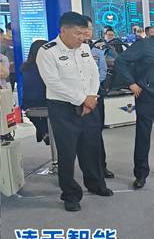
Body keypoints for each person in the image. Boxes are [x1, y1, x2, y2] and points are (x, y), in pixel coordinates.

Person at [36, 12, 112, 211]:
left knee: (92, 148)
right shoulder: (47, 52)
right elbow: (53, 83)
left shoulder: (85, 48)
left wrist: (91, 97)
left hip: (90, 105)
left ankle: (95, 183)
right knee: (67, 153)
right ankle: (70, 194)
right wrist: (82, 99)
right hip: (63, 110)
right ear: (64, 30)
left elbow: (93, 74)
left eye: (84, 33)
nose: (82, 38)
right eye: (78, 33)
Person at [114, 16, 154, 189]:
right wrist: (131, 83)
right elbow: (121, 61)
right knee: (143, 136)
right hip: (147, 97)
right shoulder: (144, 45)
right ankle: (141, 173)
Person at [85, 16, 114, 179]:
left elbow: (102, 72)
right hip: (77, 98)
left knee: (97, 131)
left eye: (89, 28)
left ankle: (102, 167)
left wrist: (93, 87)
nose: (87, 32)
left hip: (96, 94)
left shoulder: (97, 52)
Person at [20, 39, 49, 143]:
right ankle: (45, 131)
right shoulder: (44, 67)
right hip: (43, 102)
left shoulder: (25, 68)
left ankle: (43, 130)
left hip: (28, 105)